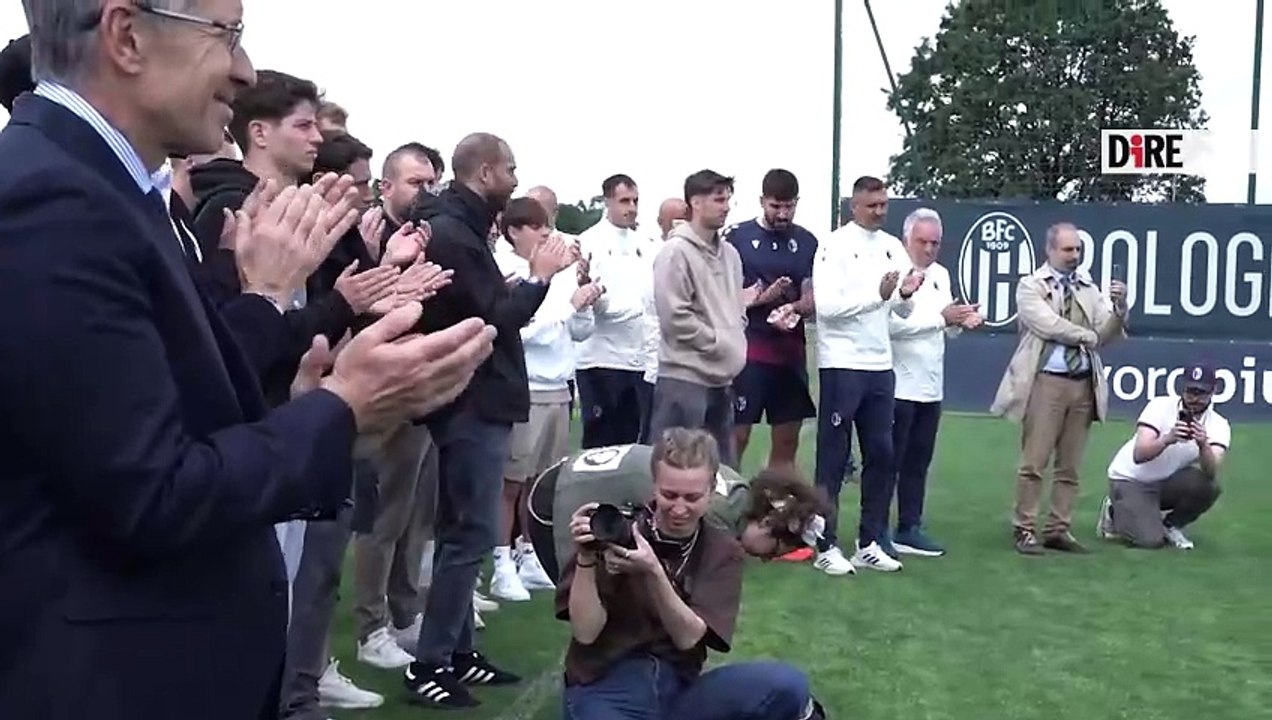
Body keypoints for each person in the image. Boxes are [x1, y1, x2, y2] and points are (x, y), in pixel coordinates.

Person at [0, 2, 495, 718]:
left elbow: (168, 385)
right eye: (226, 36)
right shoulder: (53, 199)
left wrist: (268, 307)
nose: (243, 70)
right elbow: (154, 494)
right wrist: (344, 408)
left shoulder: (99, 185)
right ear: (127, 36)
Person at [403, 132, 576, 709]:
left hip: (476, 395)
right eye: (510, 169)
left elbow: (479, 304)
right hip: (470, 399)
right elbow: (496, 319)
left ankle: (457, 651)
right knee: (468, 533)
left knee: (466, 532)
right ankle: (429, 663)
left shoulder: (460, 226)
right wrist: (538, 277)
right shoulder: (454, 231)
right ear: (483, 172)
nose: (516, 179)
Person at [554, 428, 825, 719]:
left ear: (711, 491)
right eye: (669, 495)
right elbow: (585, 632)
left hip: (679, 687)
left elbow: (688, 637)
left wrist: (653, 572)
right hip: (607, 683)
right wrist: (585, 557)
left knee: (787, 684)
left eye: (692, 497)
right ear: (654, 485)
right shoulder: (617, 532)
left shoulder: (721, 549)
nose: (679, 508)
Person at [490, 197, 602, 601]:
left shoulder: (557, 274)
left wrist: (584, 304)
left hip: (558, 388)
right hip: (528, 389)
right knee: (511, 482)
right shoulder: (510, 274)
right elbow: (518, 334)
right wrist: (566, 309)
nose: (545, 234)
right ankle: (500, 562)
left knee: (539, 482)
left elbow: (578, 334)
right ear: (514, 231)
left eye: (547, 226)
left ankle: (528, 554)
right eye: (536, 227)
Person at [991, 222, 1127, 555]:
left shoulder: (1088, 287)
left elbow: (1105, 333)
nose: (1074, 256)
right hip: (1045, 383)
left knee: (1070, 467)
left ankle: (1058, 529)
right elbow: (1047, 325)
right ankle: (1024, 528)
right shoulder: (1030, 285)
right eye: (1068, 250)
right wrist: (1089, 336)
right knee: (1033, 463)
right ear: (1049, 250)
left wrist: (1120, 310)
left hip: (1082, 384)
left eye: (1078, 249)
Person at [811, 175, 923, 576]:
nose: (880, 211)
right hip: (842, 363)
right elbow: (827, 308)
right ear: (854, 206)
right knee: (834, 457)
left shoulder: (893, 247)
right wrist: (876, 296)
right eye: (873, 205)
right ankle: (825, 543)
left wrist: (905, 295)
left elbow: (901, 311)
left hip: (880, 364)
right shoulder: (834, 245)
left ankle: (869, 541)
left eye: (884, 204)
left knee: (883, 453)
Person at [525, 440, 828, 582]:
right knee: (586, 601)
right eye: (772, 552)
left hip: (576, 472)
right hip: (561, 493)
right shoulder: (717, 514)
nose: (764, 559)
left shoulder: (736, 491)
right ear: (767, 521)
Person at [886, 208, 983, 557]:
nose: (928, 249)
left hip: (930, 385)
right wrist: (940, 319)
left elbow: (944, 326)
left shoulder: (940, 274)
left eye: (935, 243)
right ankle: (878, 528)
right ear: (906, 239)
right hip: (898, 384)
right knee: (889, 460)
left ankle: (909, 526)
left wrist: (961, 319)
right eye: (922, 241)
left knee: (918, 460)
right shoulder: (894, 272)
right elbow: (892, 326)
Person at [649, 170, 748, 466]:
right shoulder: (674, 253)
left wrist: (735, 335)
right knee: (675, 467)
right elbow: (674, 317)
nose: (726, 206)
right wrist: (719, 342)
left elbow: (736, 306)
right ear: (696, 202)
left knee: (720, 472)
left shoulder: (730, 254)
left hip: (722, 382)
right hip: (684, 380)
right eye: (719, 199)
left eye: (728, 198)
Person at [725, 169, 818, 470]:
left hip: (790, 355)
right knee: (736, 436)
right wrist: (761, 300)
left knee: (787, 440)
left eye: (789, 206)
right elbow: (722, 296)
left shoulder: (807, 241)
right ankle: (726, 505)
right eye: (775, 206)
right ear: (762, 201)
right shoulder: (737, 237)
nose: (782, 213)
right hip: (747, 353)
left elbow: (811, 295)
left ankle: (775, 510)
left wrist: (795, 309)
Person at [1096, 363, 1227, 550]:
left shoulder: (1218, 425)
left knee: (1208, 486)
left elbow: (1211, 471)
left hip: (1164, 481)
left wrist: (1203, 444)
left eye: (1201, 393)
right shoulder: (1160, 406)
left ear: (1213, 391)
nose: (1194, 398)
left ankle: (1171, 525)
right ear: (1183, 388)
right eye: (1190, 391)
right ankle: (1114, 510)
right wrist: (1168, 439)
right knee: (1150, 541)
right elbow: (1139, 454)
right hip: (1130, 479)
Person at [574, 174, 661, 448]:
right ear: (607, 201)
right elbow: (595, 302)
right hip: (601, 361)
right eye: (624, 200)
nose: (632, 207)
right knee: (601, 445)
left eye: (635, 201)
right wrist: (635, 309)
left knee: (633, 445)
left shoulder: (647, 244)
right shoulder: (589, 242)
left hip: (639, 361)